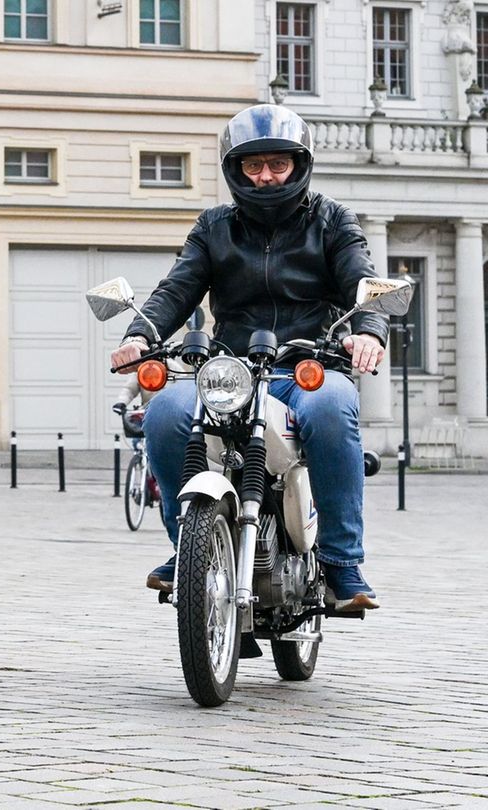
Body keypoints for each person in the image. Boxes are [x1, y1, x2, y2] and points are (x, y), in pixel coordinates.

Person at [109, 104, 387, 611]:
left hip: (307, 369)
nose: (265, 176)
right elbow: (177, 289)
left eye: (277, 164)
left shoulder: (332, 221)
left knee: (331, 409)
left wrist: (367, 331)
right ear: (235, 169)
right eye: (253, 166)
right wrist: (140, 335)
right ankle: (185, 548)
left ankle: (344, 562)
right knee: (166, 412)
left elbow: (362, 282)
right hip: (230, 373)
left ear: (298, 165)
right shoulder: (214, 226)